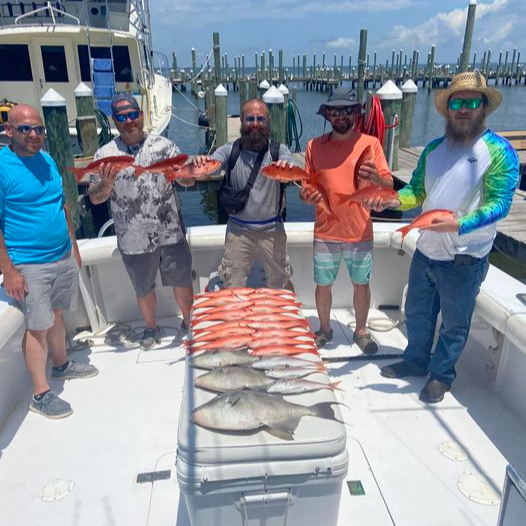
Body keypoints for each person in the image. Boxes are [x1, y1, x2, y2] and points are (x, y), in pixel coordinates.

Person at [366, 71, 520, 403]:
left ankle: (442, 375)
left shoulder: (499, 151)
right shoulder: (433, 150)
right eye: (457, 102)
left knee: (454, 324)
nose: (463, 109)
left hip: (465, 257)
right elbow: (416, 192)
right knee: (417, 314)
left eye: (471, 102)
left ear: (483, 108)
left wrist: (460, 225)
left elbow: (500, 204)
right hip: (426, 251)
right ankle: (416, 360)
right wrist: (393, 199)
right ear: (447, 108)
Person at [0, 104, 98, 420]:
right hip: (29, 261)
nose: (34, 134)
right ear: (8, 130)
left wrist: (73, 245)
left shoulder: (47, 158)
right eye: (25, 128)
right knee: (38, 326)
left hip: (61, 253)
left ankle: (61, 364)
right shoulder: (3, 166)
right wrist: (8, 270)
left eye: (38, 129)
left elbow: (63, 205)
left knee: (56, 314)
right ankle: (40, 394)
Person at [89, 94, 197, 350]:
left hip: (170, 230)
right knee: (143, 287)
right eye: (122, 117)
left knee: (182, 279)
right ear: (114, 121)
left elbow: (189, 179)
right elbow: (94, 198)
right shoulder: (105, 154)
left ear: (142, 115)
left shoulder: (165, 146)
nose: (129, 121)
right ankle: (151, 328)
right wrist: (105, 184)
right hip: (133, 236)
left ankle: (189, 323)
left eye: (133, 115)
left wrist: (181, 175)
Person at [300, 88, 393, 352]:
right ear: (327, 114)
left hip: (360, 230)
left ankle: (361, 330)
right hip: (325, 230)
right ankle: (325, 329)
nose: (340, 115)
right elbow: (306, 187)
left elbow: (387, 182)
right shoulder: (313, 146)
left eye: (346, 110)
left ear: (356, 113)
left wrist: (376, 177)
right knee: (323, 284)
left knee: (361, 284)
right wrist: (307, 196)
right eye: (335, 110)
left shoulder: (371, 144)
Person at [194, 98, 296, 289]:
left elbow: (289, 166)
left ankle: (277, 316)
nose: (255, 124)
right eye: (250, 119)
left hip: (272, 230)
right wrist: (201, 164)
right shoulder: (228, 151)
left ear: (268, 122)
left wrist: (286, 169)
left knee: (280, 283)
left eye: (260, 119)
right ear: (241, 120)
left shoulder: (279, 151)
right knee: (233, 284)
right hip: (238, 231)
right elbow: (207, 169)